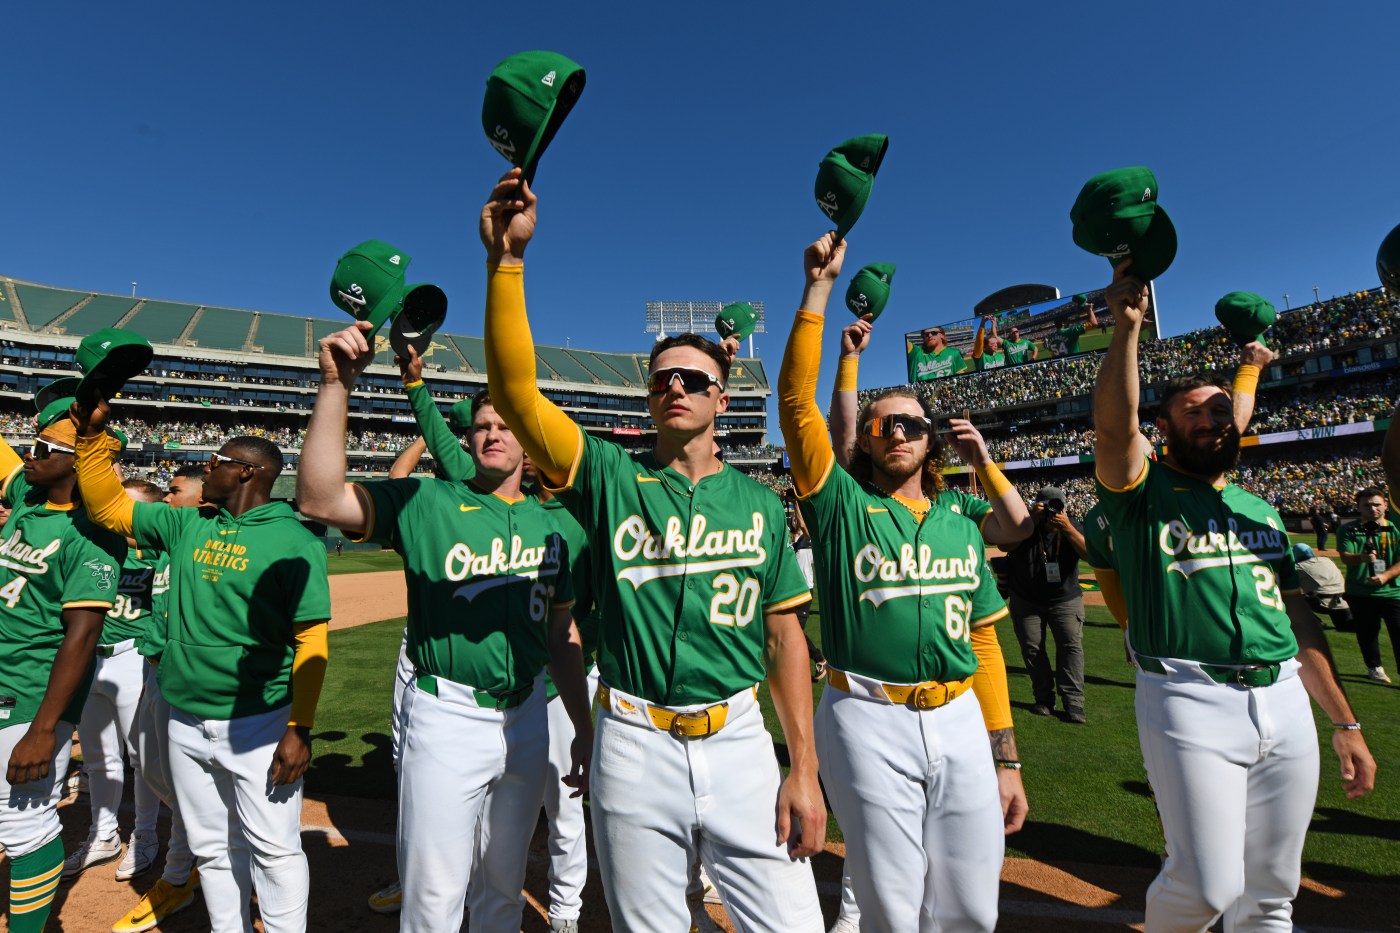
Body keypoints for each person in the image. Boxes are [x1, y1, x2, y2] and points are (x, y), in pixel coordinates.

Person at [481, 167, 825, 933]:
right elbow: (515, 393)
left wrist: (801, 764)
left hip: (738, 737)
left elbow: (783, 637)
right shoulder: (607, 476)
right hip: (634, 739)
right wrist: (507, 264)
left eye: (694, 378)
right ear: (650, 396)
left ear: (721, 398)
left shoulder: (761, 505)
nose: (677, 386)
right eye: (663, 376)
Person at [1096, 259, 1374, 932]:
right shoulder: (1142, 495)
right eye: (1192, 411)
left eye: (1221, 410)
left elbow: (1296, 616)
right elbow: (1113, 429)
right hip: (1189, 696)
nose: (1212, 419)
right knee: (1204, 884)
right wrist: (1126, 332)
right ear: (1162, 427)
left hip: (1284, 695)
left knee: (1274, 889)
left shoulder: (1260, 510)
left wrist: (1344, 720)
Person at [297, 325, 594, 933]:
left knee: (503, 886)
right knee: (433, 896)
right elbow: (321, 499)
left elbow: (563, 632)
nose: (491, 433)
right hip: (448, 714)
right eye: (482, 425)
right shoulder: (427, 502)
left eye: (507, 425)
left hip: (528, 715)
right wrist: (335, 387)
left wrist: (583, 728)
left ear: (530, 440)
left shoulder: (559, 525)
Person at [779, 232, 1027, 932]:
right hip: (866, 715)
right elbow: (799, 406)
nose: (896, 431)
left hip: (960, 718)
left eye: (911, 422)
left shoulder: (956, 521)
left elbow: (984, 643)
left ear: (932, 440)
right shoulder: (841, 508)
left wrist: (1005, 754)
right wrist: (819, 294)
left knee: (975, 908)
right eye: (882, 423)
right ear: (867, 438)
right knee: (889, 902)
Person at [74, 401, 331, 933]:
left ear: (246, 472)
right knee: (213, 848)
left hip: (258, 722)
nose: (201, 469)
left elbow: (311, 639)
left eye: (214, 461)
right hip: (185, 717)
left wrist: (299, 727)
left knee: (274, 850)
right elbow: (107, 508)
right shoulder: (186, 524)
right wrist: (92, 440)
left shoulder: (294, 541)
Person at [0, 408, 124, 933]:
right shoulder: (28, 497)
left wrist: (45, 731)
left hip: (31, 695)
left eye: (45, 449)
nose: (31, 453)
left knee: (23, 825)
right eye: (31, 445)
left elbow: (83, 636)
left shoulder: (94, 534)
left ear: (80, 464)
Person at [111, 475, 206, 933]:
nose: (167, 497)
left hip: (185, 678)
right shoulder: (165, 544)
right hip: (152, 667)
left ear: (201, 499)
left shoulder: (202, 542)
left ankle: (178, 874)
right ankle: (204, 838)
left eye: (175, 491)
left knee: (181, 777)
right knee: (146, 764)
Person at [63, 480, 167, 882]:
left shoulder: (160, 554)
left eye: (133, 507)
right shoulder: (94, 546)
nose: (121, 514)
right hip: (91, 660)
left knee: (142, 758)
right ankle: (103, 834)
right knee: (98, 758)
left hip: (132, 657)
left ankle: (144, 836)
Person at [1005, 487, 1088, 722]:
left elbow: (1090, 554)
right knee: (1032, 649)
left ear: (1064, 508)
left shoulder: (1071, 524)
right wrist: (1030, 520)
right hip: (1026, 599)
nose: (1051, 512)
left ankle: (1073, 702)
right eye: (1046, 507)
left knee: (1071, 647)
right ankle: (1043, 699)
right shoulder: (1025, 525)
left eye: (1056, 507)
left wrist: (1067, 528)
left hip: (1065, 599)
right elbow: (1005, 546)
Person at [1335, 485, 1400, 683]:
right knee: (1367, 634)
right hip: (1360, 592)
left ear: (1386, 505)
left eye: (1377, 505)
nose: (1373, 509)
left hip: (1393, 592)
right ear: (1359, 506)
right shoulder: (1348, 529)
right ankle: (1375, 667)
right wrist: (1362, 558)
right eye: (1367, 505)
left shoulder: (1395, 529)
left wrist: (1386, 576)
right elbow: (1346, 557)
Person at [1293, 542, 1353, 632]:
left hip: (1321, 603)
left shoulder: (1298, 567)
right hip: (1344, 602)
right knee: (1345, 626)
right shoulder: (1327, 560)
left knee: (1291, 599)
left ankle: (1315, 622)